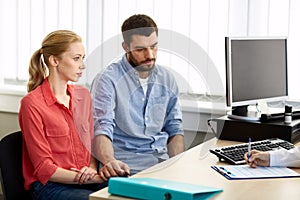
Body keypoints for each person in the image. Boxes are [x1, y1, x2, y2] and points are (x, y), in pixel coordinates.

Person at [90, 14, 185, 180]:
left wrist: (178, 166)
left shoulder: (166, 78)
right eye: (140, 49)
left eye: (154, 46)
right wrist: (110, 162)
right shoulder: (107, 79)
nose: (150, 55)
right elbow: (101, 128)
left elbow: (174, 128)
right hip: (126, 169)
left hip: (162, 166)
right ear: (125, 47)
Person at [18, 30, 106, 200]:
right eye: (76, 58)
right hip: (51, 186)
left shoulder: (83, 96)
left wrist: (92, 168)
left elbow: (91, 145)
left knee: (130, 192)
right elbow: (44, 169)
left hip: (87, 178)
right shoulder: (32, 104)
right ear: (54, 60)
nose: (82, 65)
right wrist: (94, 178)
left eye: (83, 58)